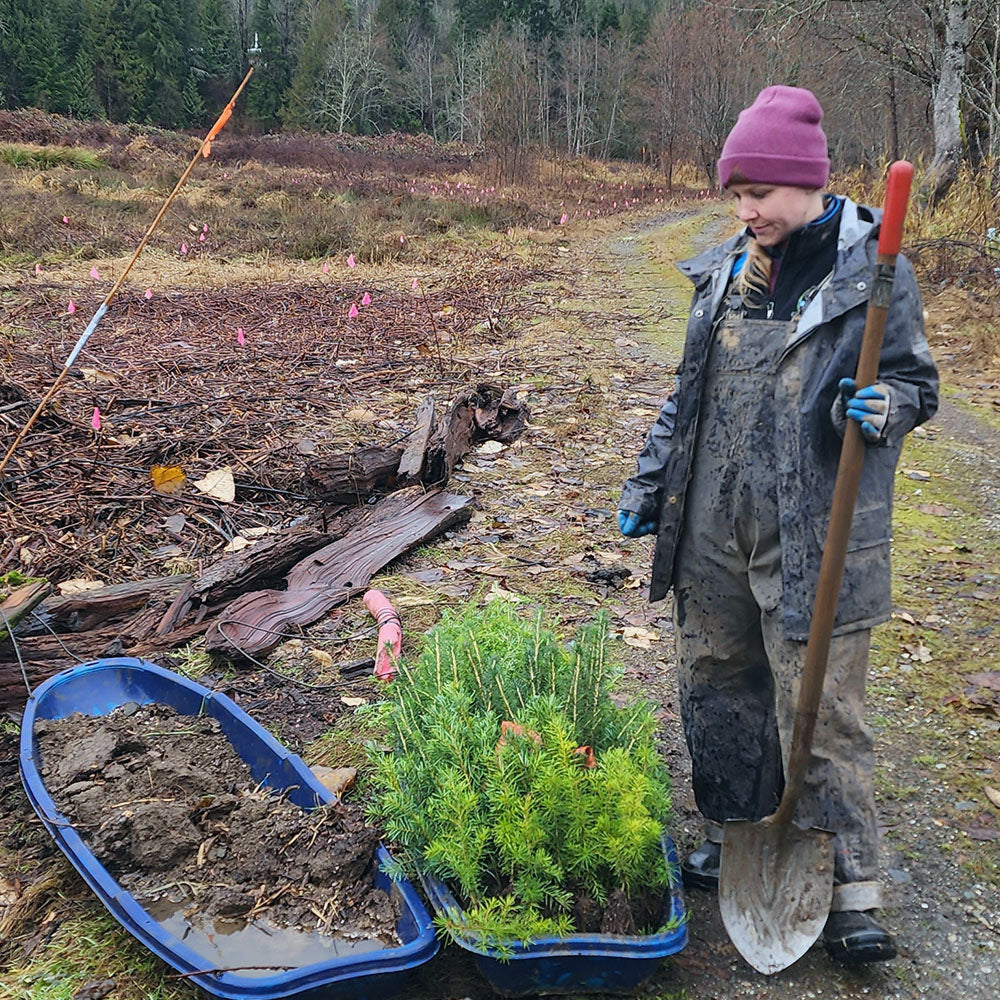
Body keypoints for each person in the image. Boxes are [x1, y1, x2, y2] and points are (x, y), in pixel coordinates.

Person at [617, 85, 938, 964]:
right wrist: (650, 485)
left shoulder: (873, 271)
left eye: (758, 188)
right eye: (735, 192)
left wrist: (889, 406)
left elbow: (919, 382)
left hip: (815, 528)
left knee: (820, 702)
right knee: (719, 678)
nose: (745, 207)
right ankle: (734, 832)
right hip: (715, 519)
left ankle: (850, 887)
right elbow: (688, 397)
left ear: (806, 181)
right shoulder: (725, 272)